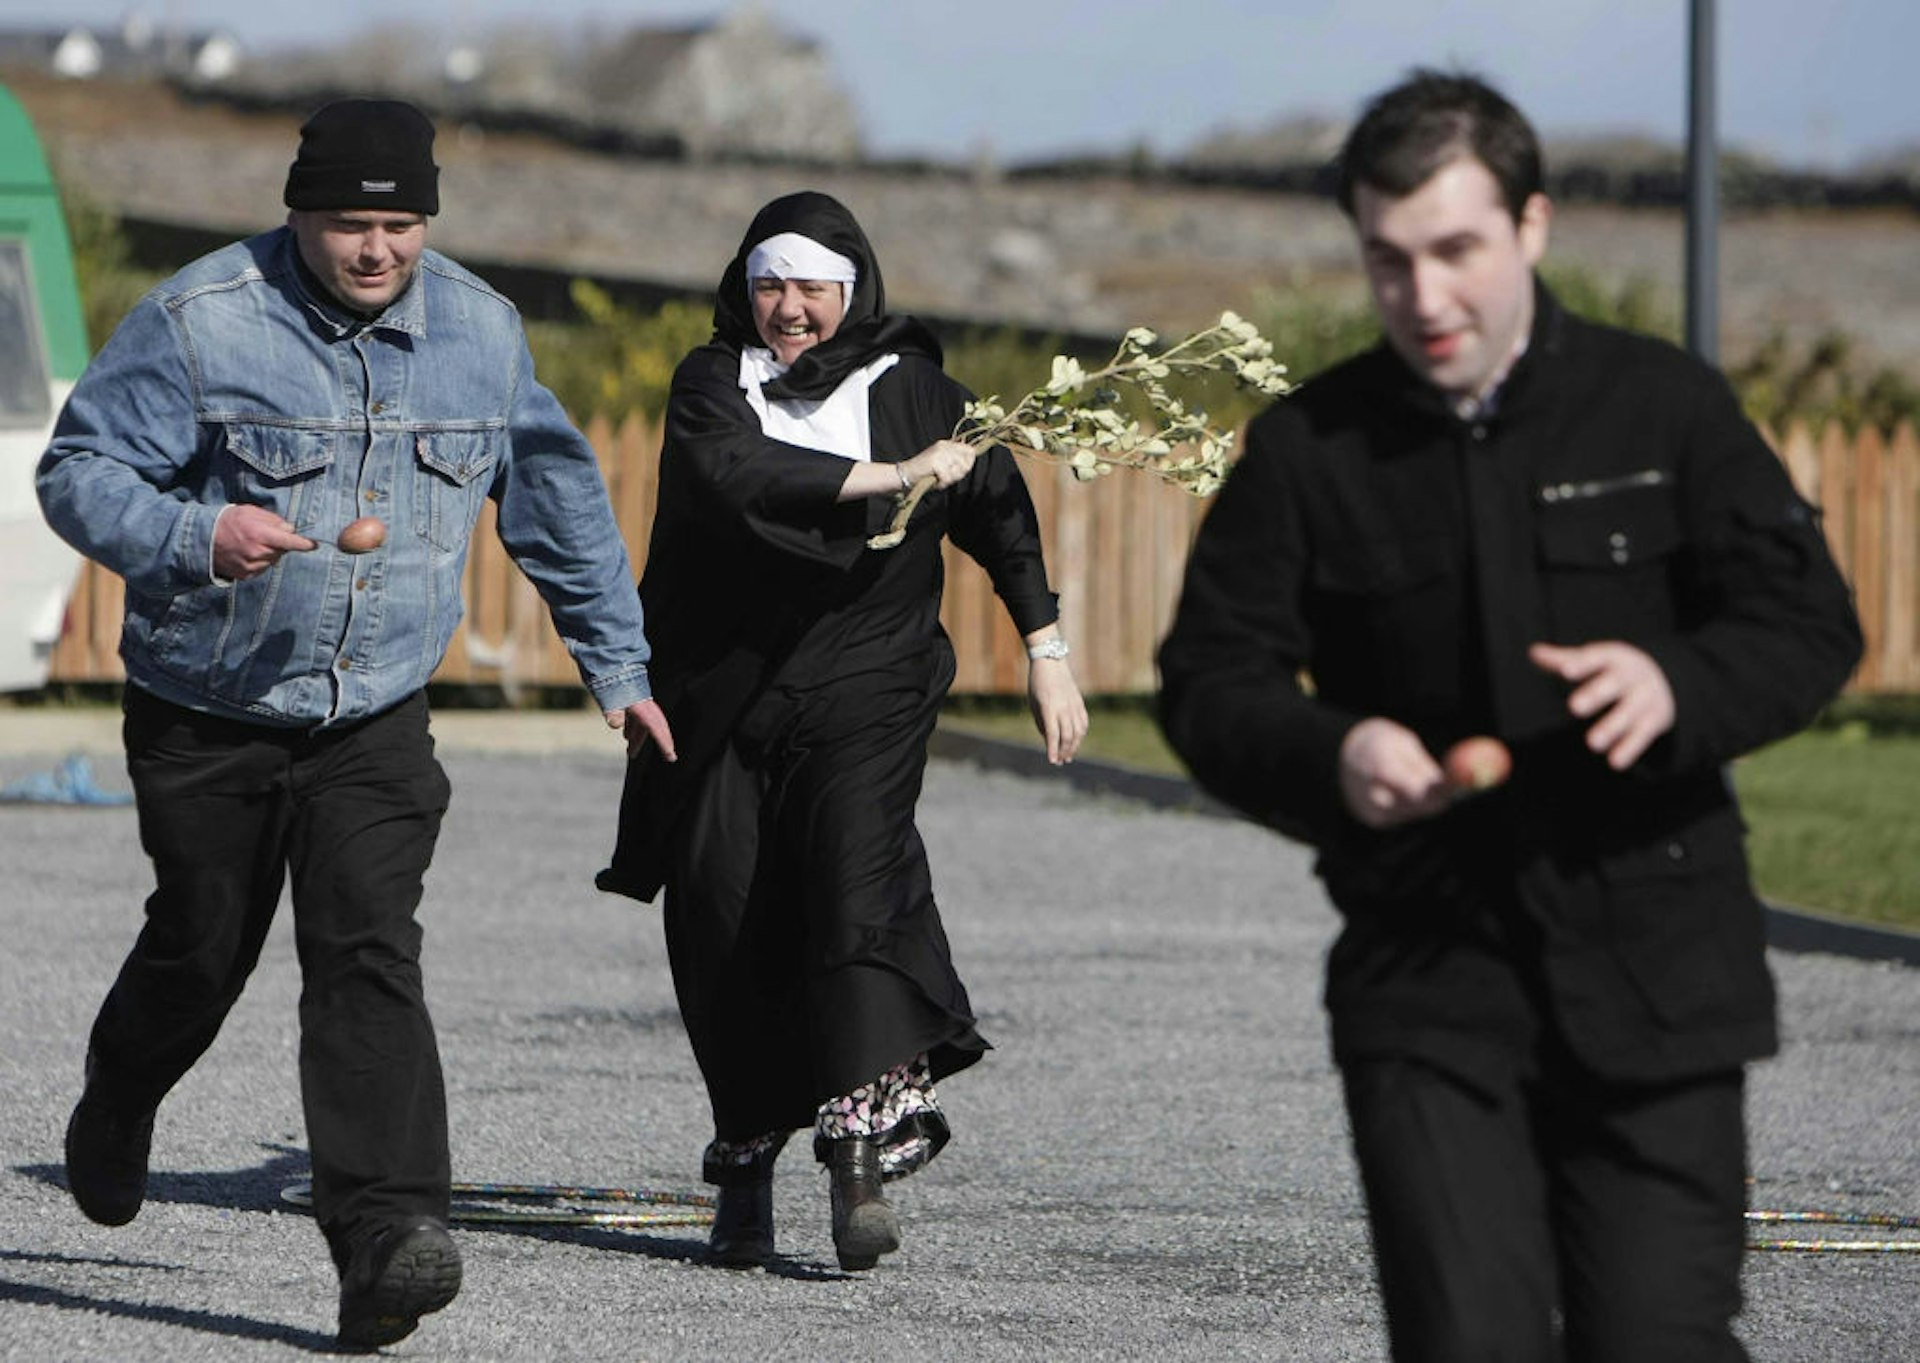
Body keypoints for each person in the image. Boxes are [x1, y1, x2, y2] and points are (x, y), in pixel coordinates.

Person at [1157, 70, 1861, 1362]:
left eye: (1457, 251)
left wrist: (1677, 684)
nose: (1425, 298)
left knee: (1657, 1339)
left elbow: (1809, 623)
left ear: (1532, 226)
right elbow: (1210, 679)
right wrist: (1335, 751)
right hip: (1429, 982)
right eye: (1389, 259)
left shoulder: (1665, 407)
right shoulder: (1314, 449)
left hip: (1658, 970)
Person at [37, 98, 675, 1350]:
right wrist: (196, 533)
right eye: (347, 224)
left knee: (366, 952)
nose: (375, 250)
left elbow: (552, 497)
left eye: (397, 224)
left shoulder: (482, 335)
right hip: (206, 707)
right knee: (200, 946)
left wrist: (619, 663)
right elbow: (78, 470)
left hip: (375, 714)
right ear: (300, 215)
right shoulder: (201, 321)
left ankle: (386, 1237)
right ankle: (118, 1095)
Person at [598, 191, 1087, 1272]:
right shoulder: (711, 384)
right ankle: (744, 1157)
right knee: (721, 915)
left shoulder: (916, 391)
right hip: (723, 689)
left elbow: (998, 508)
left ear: (852, 289)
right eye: (770, 283)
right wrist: (891, 480)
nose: (789, 308)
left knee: (851, 887)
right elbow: (737, 481)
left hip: (869, 680)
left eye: (811, 286)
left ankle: (858, 1157)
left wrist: (1046, 652)